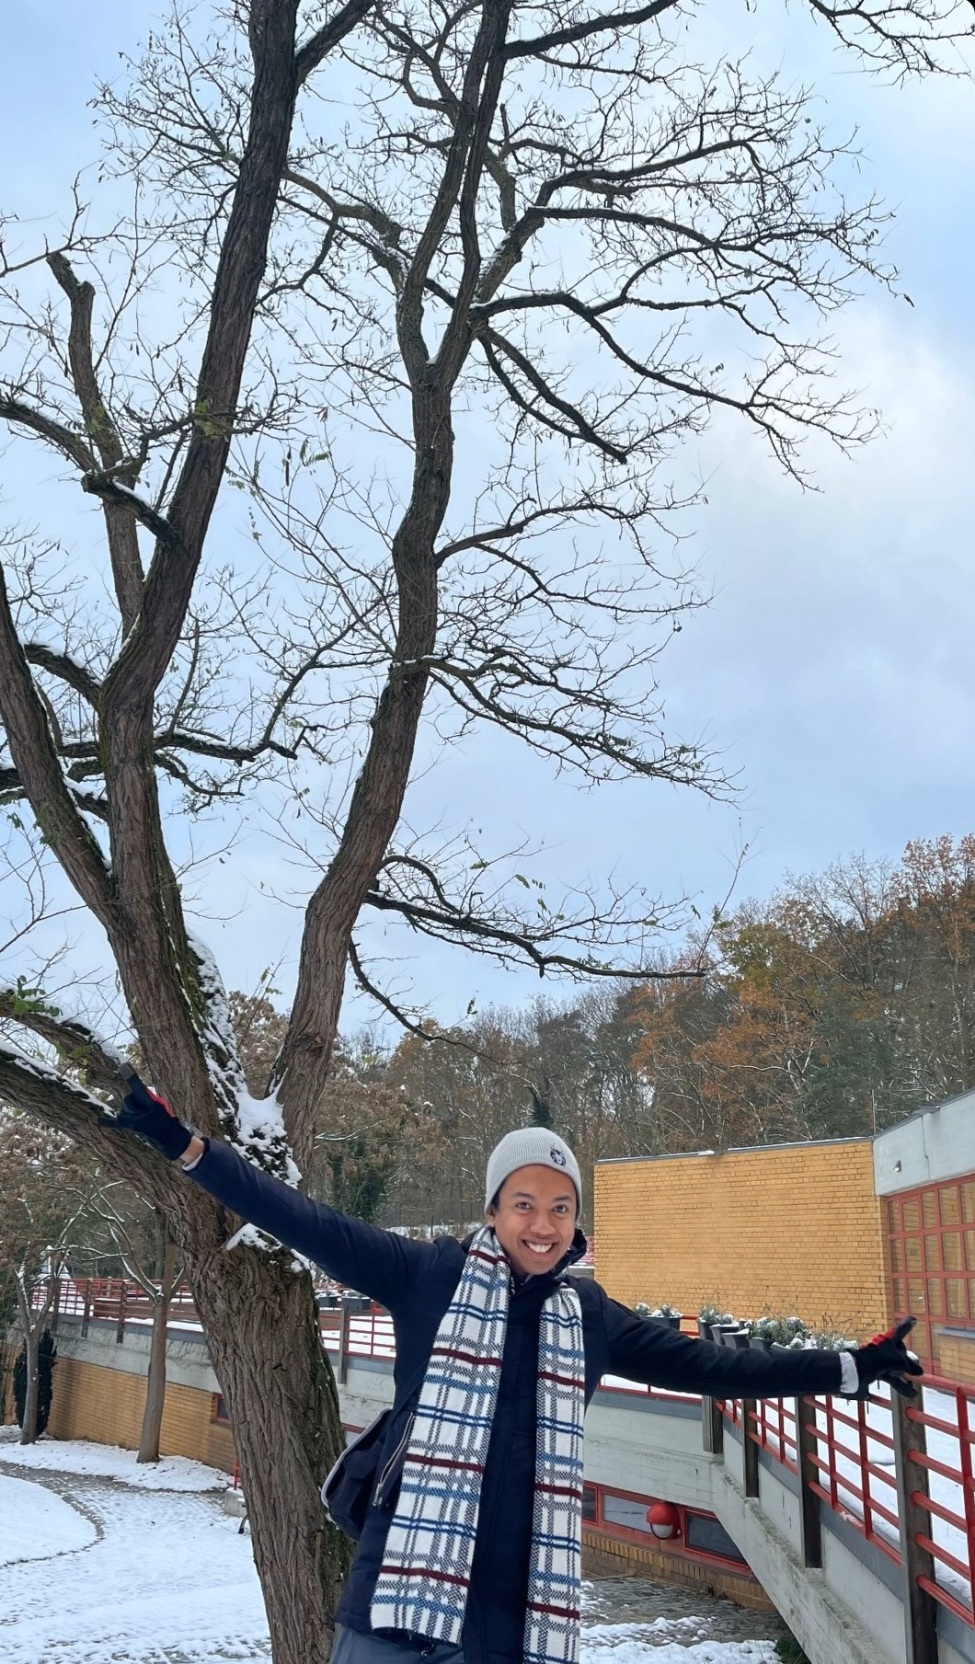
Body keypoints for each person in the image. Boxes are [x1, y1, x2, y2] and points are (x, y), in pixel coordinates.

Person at [110, 1079, 921, 1664]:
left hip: (512, 1621)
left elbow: (711, 1367)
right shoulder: (426, 1275)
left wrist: (851, 1366)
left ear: (576, 1224)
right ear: (493, 1210)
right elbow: (300, 1218)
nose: (542, 1223)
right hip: (397, 1607)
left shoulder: (591, 1318)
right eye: (524, 1204)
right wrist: (182, 1145)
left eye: (560, 1207)